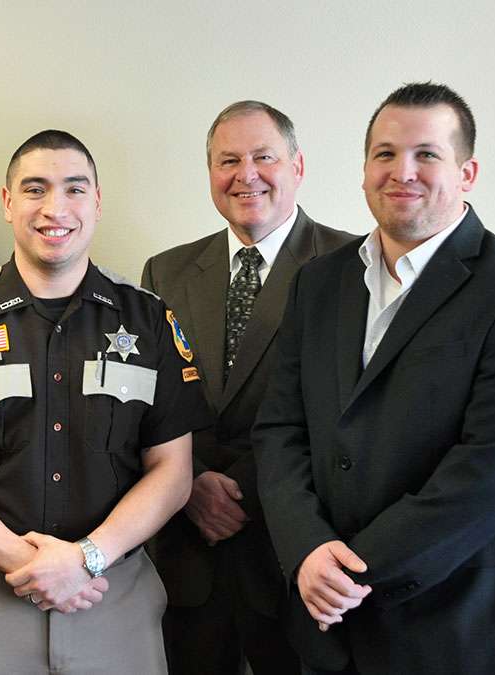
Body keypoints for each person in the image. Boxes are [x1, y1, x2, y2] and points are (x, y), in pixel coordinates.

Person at [254, 82, 495, 674]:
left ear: (467, 172)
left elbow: (492, 470)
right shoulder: (319, 283)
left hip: (464, 630)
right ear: (364, 170)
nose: (401, 171)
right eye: (384, 154)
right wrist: (305, 549)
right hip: (328, 634)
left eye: (426, 154)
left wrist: (349, 573)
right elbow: (280, 429)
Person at [0, 130, 210, 674]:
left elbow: (173, 472)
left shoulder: (149, 319)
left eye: (74, 189)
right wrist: (33, 566)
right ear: (8, 202)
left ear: (97, 203)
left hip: (114, 597)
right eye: (35, 189)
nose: (55, 208)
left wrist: (86, 559)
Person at [142, 101, 353, 674]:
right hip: (191, 555)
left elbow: (348, 411)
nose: (246, 174)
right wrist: (190, 486)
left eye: (264, 156)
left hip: (296, 556)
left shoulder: (353, 263)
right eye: (227, 160)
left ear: (298, 165)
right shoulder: (166, 272)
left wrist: (238, 490)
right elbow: (153, 404)